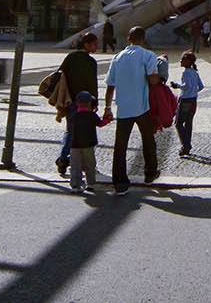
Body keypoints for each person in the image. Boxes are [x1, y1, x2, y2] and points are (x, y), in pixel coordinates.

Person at [102, 26, 161, 195]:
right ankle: (150, 173)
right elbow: (152, 79)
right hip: (142, 107)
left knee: (120, 146)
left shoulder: (117, 57)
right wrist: (159, 75)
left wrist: (107, 107)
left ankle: (120, 183)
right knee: (148, 141)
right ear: (143, 40)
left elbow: (110, 85)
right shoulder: (148, 55)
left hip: (123, 108)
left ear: (129, 39)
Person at [55, 32, 100, 177]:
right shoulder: (91, 62)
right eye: (94, 44)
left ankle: (63, 159)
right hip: (85, 102)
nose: (96, 46)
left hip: (69, 100)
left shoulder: (70, 57)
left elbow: (60, 74)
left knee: (70, 130)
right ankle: (82, 162)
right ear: (86, 45)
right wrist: (95, 102)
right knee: (85, 131)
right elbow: (93, 84)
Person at [66, 91, 108, 194]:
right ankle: (90, 184)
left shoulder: (74, 116)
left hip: (75, 145)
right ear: (90, 103)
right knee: (90, 164)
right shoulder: (92, 115)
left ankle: (76, 185)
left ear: (77, 104)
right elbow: (101, 124)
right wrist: (108, 119)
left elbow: (70, 129)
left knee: (75, 165)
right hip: (88, 145)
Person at [170, 51, 204, 157]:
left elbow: (186, 86)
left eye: (182, 59)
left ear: (188, 61)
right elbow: (201, 86)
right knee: (189, 124)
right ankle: (187, 145)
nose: (180, 61)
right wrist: (194, 92)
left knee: (178, 123)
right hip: (193, 100)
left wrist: (177, 86)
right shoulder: (195, 72)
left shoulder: (186, 73)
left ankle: (185, 145)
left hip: (185, 100)